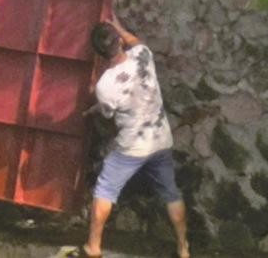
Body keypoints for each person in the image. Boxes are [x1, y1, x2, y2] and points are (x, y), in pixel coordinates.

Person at [74, 18, 189, 258]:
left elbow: (108, 113)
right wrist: (118, 25)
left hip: (131, 148)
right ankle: (183, 248)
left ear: (99, 53)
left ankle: (93, 247)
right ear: (119, 41)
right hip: (160, 140)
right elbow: (134, 42)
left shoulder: (105, 85)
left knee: (105, 189)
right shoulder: (143, 55)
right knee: (171, 193)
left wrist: (95, 108)